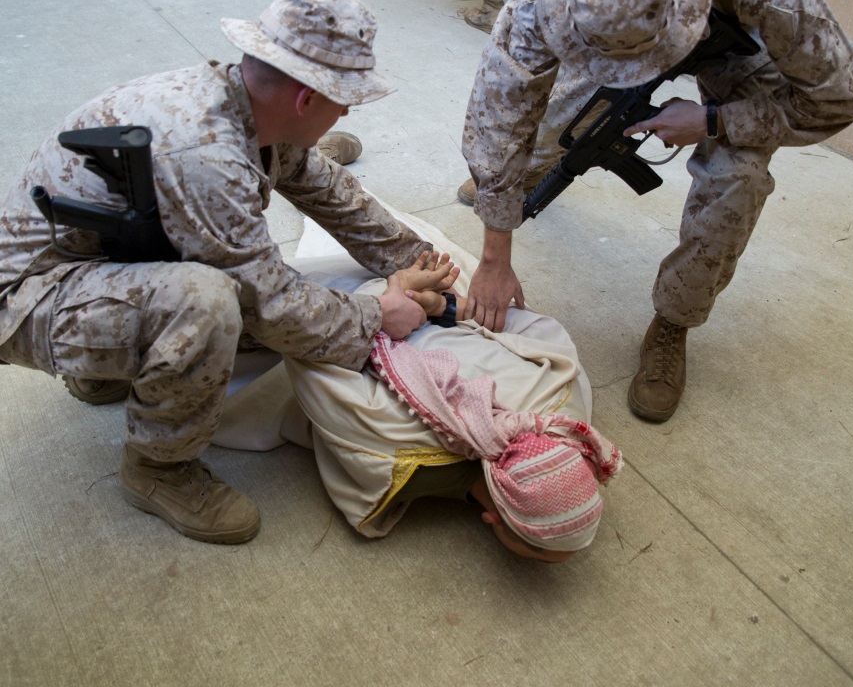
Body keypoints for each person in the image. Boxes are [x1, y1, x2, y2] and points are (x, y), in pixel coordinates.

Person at [0, 0, 459, 544]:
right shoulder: (204, 153)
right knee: (210, 304)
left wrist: (422, 263)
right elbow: (269, 302)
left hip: (94, 262)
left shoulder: (249, 105)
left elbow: (329, 190)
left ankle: (102, 371)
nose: (347, 110)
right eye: (345, 98)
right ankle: (158, 468)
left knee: (244, 295)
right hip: (27, 298)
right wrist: (377, 316)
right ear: (305, 99)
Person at [458, 0, 853, 422]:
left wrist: (714, 120)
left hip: (735, 32)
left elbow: (838, 100)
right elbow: (499, 110)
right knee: (553, 123)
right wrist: (495, 248)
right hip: (616, 23)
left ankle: (674, 321)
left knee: (736, 179)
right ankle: (524, 177)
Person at [213, 221, 621, 563]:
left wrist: (419, 301)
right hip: (376, 303)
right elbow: (314, 365)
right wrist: (419, 303)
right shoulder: (393, 456)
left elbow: (528, 323)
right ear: (492, 519)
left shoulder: (568, 400)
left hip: (390, 300)